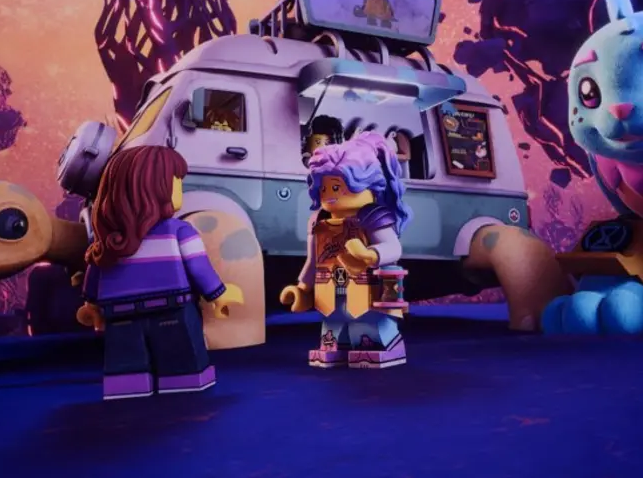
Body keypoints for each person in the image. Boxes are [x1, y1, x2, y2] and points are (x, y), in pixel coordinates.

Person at [76, 145, 241, 399]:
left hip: (119, 313)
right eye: (177, 182)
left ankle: (127, 385)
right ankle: (183, 379)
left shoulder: (109, 240)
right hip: (172, 308)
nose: (181, 189)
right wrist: (218, 293)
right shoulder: (179, 231)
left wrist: (91, 304)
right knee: (181, 357)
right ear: (156, 187)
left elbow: (96, 270)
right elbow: (198, 267)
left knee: (126, 358)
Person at [279, 131, 413, 369]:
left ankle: (378, 347)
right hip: (329, 288)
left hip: (366, 289)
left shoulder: (372, 215)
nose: (330, 196)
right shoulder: (320, 221)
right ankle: (334, 349)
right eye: (324, 188)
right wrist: (302, 288)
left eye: (337, 187)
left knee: (366, 327)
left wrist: (370, 255)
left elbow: (393, 247)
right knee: (332, 325)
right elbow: (313, 261)